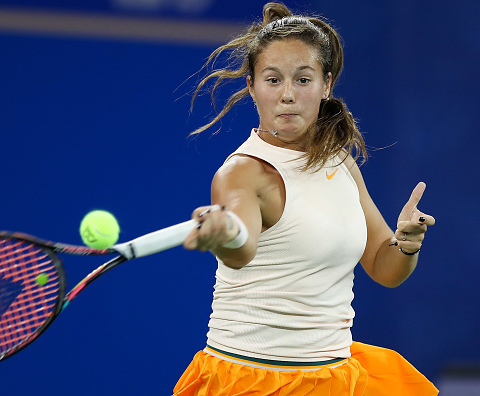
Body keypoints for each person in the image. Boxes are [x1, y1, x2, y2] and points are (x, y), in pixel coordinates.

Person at [174, 2, 438, 395]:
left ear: (326, 84)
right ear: (251, 86)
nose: (287, 96)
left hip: (333, 377)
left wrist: (406, 245)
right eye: (272, 79)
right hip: (249, 380)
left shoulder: (340, 162)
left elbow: (384, 267)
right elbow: (241, 248)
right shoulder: (242, 173)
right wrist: (225, 234)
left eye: (302, 79)